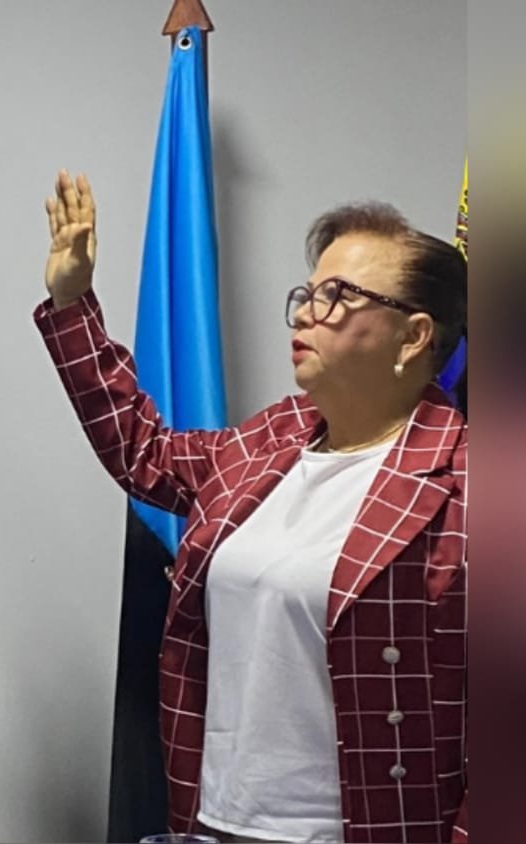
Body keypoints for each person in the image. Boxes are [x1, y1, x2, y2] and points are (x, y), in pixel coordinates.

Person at [34, 170, 467, 844]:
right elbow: (144, 450)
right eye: (307, 293)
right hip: (214, 820)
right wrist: (72, 304)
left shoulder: (469, 485)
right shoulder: (273, 440)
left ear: (413, 336)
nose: (306, 313)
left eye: (338, 296)